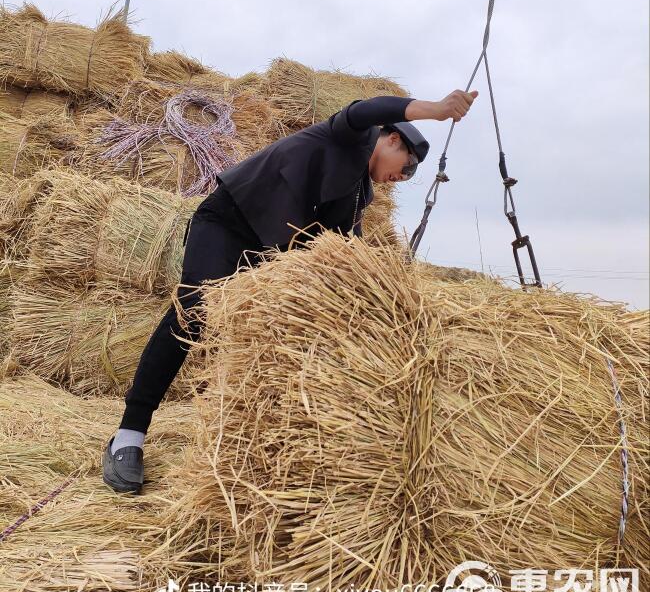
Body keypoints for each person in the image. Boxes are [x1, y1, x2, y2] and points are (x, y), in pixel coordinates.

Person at [102, 88, 478, 494]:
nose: (401, 179)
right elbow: (370, 108)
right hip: (228, 222)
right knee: (193, 311)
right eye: (407, 167)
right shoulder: (349, 136)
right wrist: (436, 111)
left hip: (266, 253)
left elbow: (339, 254)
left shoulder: (357, 196)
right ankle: (129, 436)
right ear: (391, 139)